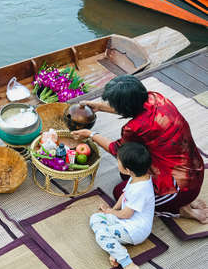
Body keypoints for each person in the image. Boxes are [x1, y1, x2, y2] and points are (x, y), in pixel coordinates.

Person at [72, 76, 206, 223]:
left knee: (120, 193)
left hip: (180, 186)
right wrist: (100, 107)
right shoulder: (156, 97)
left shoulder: (134, 128)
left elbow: (117, 150)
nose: (109, 105)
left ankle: (180, 209)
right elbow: (134, 107)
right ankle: (184, 199)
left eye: (112, 103)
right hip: (194, 167)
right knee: (126, 173)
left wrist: (91, 134)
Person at [90, 142, 154, 269]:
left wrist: (112, 213)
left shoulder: (140, 190)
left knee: (101, 235)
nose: (117, 162)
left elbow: (127, 214)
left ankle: (128, 264)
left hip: (135, 229)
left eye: (118, 161)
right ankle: (115, 248)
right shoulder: (137, 176)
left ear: (127, 170)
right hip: (125, 222)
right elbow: (124, 195)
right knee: (96, 218)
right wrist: (112, 210)